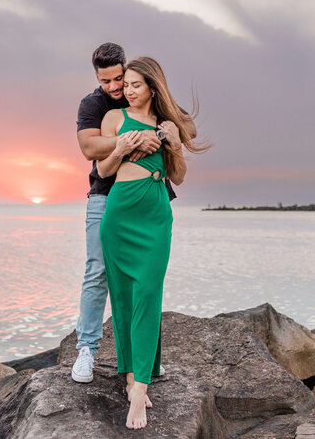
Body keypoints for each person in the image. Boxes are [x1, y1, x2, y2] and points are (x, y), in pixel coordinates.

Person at [97, 56, 209, 429]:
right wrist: (121, 147)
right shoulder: (115, 119)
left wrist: (174, 143)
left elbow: (177, 174)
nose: (126, 91)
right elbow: (102, 171)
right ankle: (133, 380)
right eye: (124, 85)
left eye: (134, 85)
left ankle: (141, 389)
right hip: (120, 213)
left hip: (155, 214)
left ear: (152, 87)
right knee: (124, 297)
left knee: (148, 293)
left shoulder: (168, 124)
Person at [73, 44, 194, 385]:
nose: (116, 87)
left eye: (120, 79)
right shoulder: (94, 105)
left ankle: (146, 360)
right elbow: (88, 149)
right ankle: (87, 349)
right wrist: (131, 139)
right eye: (107, 80)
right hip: (106, 195)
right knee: (97, 270)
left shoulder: (144, 91)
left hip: (150, 199)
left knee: (147, 282)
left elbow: (187, 128)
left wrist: (163, 133)